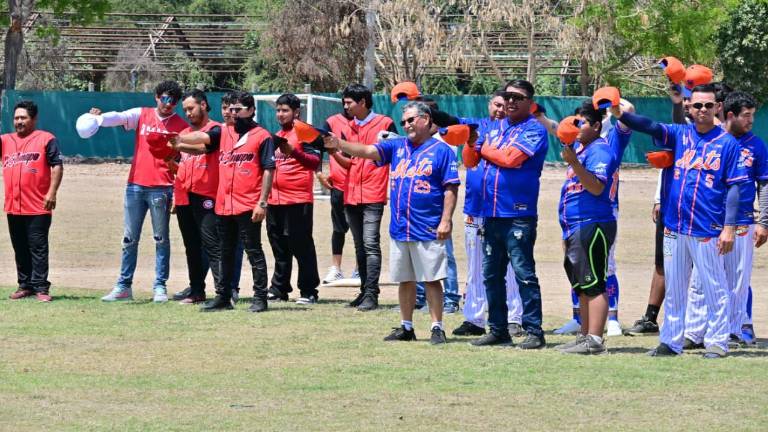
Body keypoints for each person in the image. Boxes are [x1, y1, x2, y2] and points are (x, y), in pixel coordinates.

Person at [613, 84, 748, 359]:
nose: (702, 110)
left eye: (708, 105)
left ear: (717, 108)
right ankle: (670, 341)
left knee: (715, 288)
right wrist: (622, 114)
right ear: (689, 107)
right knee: (674, 287)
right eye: (697, 105)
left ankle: (717, 343)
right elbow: (650, 126)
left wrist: (729, 228)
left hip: (707, 229)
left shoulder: (727, 144)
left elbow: (735, 189)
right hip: (674, 226)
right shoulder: (680, 134)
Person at [325, 101, 460, 344]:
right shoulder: (397, 146)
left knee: (431, 279)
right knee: (405, 279)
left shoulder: (442, 151)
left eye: (411, 120)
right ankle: (406, 326)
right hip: (401, 227)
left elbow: (451, 187)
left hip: (428, 226)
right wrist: (339, 145)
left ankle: (437, 327)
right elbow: (367, 151)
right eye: (404, 121)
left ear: (426, 120)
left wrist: (446, 220)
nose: (406, 125)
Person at [463, 80, 548, 349]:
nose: (510, 102)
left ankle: (534, 331)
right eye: (507, 96)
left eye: (518, 97)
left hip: (518, 214)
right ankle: (498, 329)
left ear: (530, 103)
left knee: (524, 273)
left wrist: (480, 147)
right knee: (491, 274)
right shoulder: (493, 127)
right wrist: (468, 141)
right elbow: (469, 157)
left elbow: (510, 159)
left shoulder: (534, 129)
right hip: (491, 213)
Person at [683, 91, 768, 346]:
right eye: (746, 116)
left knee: (737, 281)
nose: (751, 121)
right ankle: (693, 333)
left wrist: (764, 221)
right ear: (730, 115)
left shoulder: (757, 146)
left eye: (752, 116)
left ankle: (732, 330)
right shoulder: (713, 140)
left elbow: (764, 185)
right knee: (700, 278)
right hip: (708, 221)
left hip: (742, 221)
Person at [94, 80, 188, 303]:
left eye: (174, 101)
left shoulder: (181, 126)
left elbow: (184, 161)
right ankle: (124, 286)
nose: (169, 104)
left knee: (161, 239)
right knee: (129, 238)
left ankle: (159, 286)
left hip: (162, 188)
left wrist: (177, 190)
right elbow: (119, 117)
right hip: (135, 185)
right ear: (156, 96)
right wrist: (98, 119)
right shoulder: (142, 114)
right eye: (165, 98)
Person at [453, 90, 524, 337]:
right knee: (475, 266)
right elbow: (449, 121)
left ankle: (515, 317)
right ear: (488, 104)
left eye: (505, 106)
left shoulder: (517, 131)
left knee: (510, 266)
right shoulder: (477, 126)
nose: (501, 110)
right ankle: (474, 318)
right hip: (476, 206)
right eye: (497, 104)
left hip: (504, 208)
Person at [555, 102, 619, 355]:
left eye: (581, 122)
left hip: (593, 223)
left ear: (596, 125)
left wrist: (574, 163)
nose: (576, 127)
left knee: (594, 284)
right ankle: (584, 336)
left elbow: (596, 187)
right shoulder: (582, 150)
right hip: (575, 225)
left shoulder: (600, 151)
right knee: (581, 285)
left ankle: (595, 340)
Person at [202, 91, 275, 312]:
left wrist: (262, 202)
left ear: (251, 110)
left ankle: (260, 297)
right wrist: (178, 142)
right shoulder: (224, 132)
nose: (233, 113)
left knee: (254, 251)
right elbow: (202, 142)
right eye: (231, 109)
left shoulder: (262, 136)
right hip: (225, 205)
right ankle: (223, 296)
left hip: (249, 205)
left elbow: (269, 170)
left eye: (238, 109)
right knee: (225, 250)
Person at [337, 84, 397, 311]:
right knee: (360, 246)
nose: (346, 106)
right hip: (351, 194)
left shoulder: (384, 124)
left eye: (349, 102)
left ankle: (372, 294)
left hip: (373, 193)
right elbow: (349, 162)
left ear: (362, 102)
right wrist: (333, 150)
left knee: (371, 244)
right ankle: (364, 292)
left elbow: (394, 155)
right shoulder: (348, 127)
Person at [167, 90, 224, 305]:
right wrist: (172, 164)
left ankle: (222, 292)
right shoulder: (184, 132)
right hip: (184, 196)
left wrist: (180, 144)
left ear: (203, 105)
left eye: (191, 108)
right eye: (186, 110)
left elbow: (203, 148)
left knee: (211, 243)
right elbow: (179, 162)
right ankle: (197, 291)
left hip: (206, 194)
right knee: (191, 246)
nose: (189, 113)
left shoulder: (217, 130)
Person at [3, 100, 63, 302]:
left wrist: (52, 193)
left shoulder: (46, 139)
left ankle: (41, 288)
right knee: (19, 247)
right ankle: (25, 285)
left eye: (23, 118)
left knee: (38, 248)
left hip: (38, 205)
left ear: (34, 119)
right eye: (16, 118)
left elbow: (56, 166)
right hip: (13, 205)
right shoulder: (5, 140)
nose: (19, 121)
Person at [266, 94, 322, 304]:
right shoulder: (278, 135)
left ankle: (308, 291)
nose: (280, 114)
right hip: (274, 200)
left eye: (285, 110)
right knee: (279, 245)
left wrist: (294, 153)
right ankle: (279, 288)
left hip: (298, 200)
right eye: (278, 110)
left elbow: (315, 161)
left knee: (301, 245)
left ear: (296, 112)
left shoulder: (305, 132)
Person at [318, 108, 359, 284]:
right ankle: (336, 268)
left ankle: (360, 269)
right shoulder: (331, 121)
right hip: (338, 185)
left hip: (360, 186)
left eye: (351, 101)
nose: (347, 105)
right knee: (338, 228)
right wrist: (319, 172)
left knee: (361, 231)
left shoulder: (367, 124)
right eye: (346, 101)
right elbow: (317, 146)